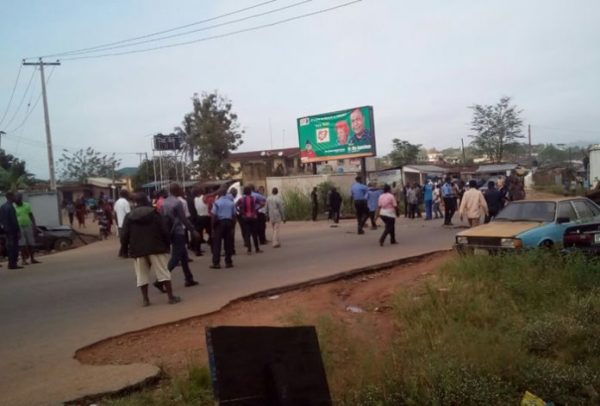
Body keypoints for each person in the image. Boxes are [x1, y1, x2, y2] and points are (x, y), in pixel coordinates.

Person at [121, 193, 180, 307]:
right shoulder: (155, 213)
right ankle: (170, 297)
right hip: (156, 246)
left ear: (135, 203)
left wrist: (125, 249)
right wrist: (167, 244)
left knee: (141, 275)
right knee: (163, 272)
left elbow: (124, 235)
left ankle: (145, 300)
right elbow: (164, 230)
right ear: (146, 201)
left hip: (137, 248)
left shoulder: (129, 216)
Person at [161, 183, 199, 287]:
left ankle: (189, 278)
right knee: (176, 258)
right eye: (181, 189)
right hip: (178, 232)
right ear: (177, 190)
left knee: (184, 257)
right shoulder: (177, 203)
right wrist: (193, 230)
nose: (182, 191)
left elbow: (162, 219)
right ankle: (160, 281)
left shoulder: (164, 203)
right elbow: (183, 219)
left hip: (170, 232)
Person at [211, 188, 236, 269]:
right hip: (229, 223)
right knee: (228, 243)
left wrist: (212, 227)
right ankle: (228, 262)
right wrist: (233, 227)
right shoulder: (231, 203)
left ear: (219, 194)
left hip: (219, 223)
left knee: (217, 244)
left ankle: (216, 263)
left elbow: (214, 215)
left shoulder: (216, 203)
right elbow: (234, 216)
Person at [14, 193, 40, 265]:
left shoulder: (27, 205)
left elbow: (31, 215)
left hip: (28, 225)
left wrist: (34, 225)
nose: (16, 201)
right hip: (19, 227)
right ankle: (24, 260)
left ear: (20, 199)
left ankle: (32, 259)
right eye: (15, 199)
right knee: (22, 244)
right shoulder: (14, 207)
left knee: (31, 242)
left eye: (18, 199)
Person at [0, 192, 22, 269]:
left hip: (5, 230)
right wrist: (18, 231)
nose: (15, 198)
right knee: (14, 247)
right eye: (14, 196)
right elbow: (14, 220)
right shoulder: (10, 207)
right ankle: (13, 264)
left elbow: (1, 220)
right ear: (11, 197)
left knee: (9, 247)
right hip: (12, 230)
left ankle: (11, 263)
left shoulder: (2, 207)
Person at [237, 186, 261, 254]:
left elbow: (235, 206)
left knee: (247, 234)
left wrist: (240, 211)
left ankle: (249, 249)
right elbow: (262, 203)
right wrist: (256, 209)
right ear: (250, 192)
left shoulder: (241, 199)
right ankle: (257, 248)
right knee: (254, 233)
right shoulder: (254, 198)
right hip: (253, 217)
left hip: (245, 218)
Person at [114, 189, 131, 258]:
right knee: (128, 239)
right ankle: (124, 253)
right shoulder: (126, 202)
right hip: (126, 224)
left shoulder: (117, 202)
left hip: (120, 224)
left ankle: (122, 252)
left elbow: (115, 213)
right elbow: (128, 214)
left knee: (123, 239)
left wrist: (117, 223)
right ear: (126, 195)